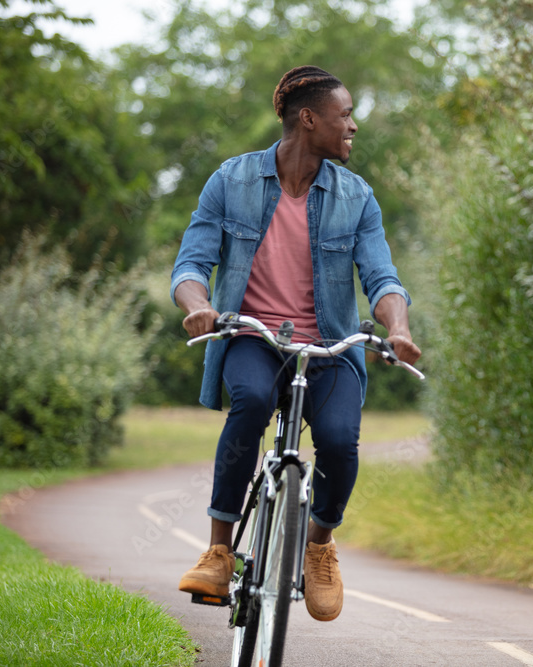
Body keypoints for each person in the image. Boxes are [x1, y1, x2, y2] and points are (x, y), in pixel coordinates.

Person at [171, 65, 421, 623]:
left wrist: (397, 329)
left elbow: (382, 278)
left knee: (337, 440)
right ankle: (218, 551)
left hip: (329, 346)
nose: (353, 126)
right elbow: (192, 262)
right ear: (309, 119)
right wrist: (199, 308)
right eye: (346, 114)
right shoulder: (231, 181)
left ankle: (319, 545)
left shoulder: (356, 197)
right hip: (252, 337)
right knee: (253, 403)